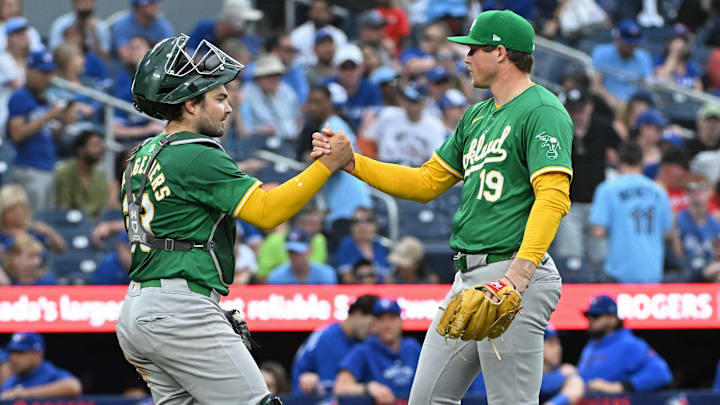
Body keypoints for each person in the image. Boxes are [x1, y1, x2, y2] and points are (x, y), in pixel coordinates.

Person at [313, 10, 571, 404]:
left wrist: (519, 274)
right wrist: (353, 162)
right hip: (468, 276)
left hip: (513, 272)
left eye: (472, 49)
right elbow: (425, 182)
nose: (465, 58)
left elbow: (553, 196)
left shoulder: (543, 110)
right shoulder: (476, 116)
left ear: (500, 52)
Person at [116, 33, 354, 405]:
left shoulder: (144, 151)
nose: (229, 107)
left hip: (139, 308)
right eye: (220, 98)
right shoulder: (197, 152)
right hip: (180, 306)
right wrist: (327, 165)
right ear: (191, 104)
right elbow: (268, 212)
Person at [552, 87, 620, 269]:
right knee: (570, 260)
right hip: (569, 203)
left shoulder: (603, 127)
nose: (576, 115)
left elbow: (622, 151)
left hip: (598, 204)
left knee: (600, 257)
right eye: (571, 110)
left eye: (580, 109)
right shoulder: (556, 129)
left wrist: (614, 158)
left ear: (589, 107)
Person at [6, 50, 80, 212]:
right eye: (43, 72)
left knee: (46, 218)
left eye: (49, 72)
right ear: (29, 70)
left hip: (46, 166)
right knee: (33, 219)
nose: (47, 77)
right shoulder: (20, 96)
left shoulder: (43, 98)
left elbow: (49, 136)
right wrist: (49, 115)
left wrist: (64, 124)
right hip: (29, 168)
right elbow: (16, 134)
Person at [589, 141, 673, 283]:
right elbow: (667, 232)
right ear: (642, 162)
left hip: (619, 271)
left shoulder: (607, 189)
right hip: (652, 270)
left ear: (619, 161)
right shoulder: (659, 191)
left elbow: (598, 230)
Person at [578, 295, 673, 393]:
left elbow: (661, 373)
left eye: (596, 316)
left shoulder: (630, 344)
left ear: (613, 319)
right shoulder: (590, 346)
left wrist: (619, 387)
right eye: (588, 315)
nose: (590, 320)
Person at [334, 298, 421, 402]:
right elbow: (341, 388)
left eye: (392, 318)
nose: (387, 324)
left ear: (400, 321)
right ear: (374, 323)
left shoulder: (412, 347)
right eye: (381, 319)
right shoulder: (363, 350)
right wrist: (369, 388)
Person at [291, 294, 378, 395]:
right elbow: (333, 391)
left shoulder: (348, 336)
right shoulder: (331, 339)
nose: (373, 330)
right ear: (357, 314)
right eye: (371, 324)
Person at [363, 85, 446, 167]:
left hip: (416, 172)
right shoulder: (388, 116)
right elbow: (367, 139)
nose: (410, 105)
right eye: (407, 100)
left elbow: (437, 161)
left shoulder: (435, 126)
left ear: (423, 103)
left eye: (414, 101)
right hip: (387, 167)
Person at [591, 20, 653, 109]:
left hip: (633, 107)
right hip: (606, 105)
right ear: (617, 39)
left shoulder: (643, 57)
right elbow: (596, 86)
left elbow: (647, 88)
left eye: (635, 43)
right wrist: (615, 102)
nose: (632, 46)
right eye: (628, 43)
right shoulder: (601, 52)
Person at [0, 332, 82, 399]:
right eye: (12, 353)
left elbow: (73, 387)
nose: (14, 358)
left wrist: (24, 394)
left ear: (38, 354)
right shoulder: (11, 380)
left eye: (20, 353)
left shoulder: (48, 372)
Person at [242, 53, 301, 140]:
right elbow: (245, 129)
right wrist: (260, 131)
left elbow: (297, 118)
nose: (273, 80)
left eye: (277, 75)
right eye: (269, 76)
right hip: (260, 143)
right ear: (259, 78)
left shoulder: (287, 91)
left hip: (290, 141)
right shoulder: (246, 93)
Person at [54, 129, 109, 218]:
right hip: (71, 222)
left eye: (100, 146)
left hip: (97, 225)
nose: (99, 150)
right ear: (80, 150)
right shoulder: (65, 172)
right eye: (94, 145)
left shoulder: (100, 176)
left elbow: (102, 208)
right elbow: (63, 206)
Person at [326, 43, 382, 130]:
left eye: (353, 67)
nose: (349, 73)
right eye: (344, 68)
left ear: (361, 68)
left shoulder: (371, 88)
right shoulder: (327, 87)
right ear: (336, 69)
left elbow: (372, 119)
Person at [675, 174, 720, 280]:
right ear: (686, 193)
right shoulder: (677, 220)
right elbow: (677, 257)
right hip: (686, 272)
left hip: (711, 273)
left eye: (702, 188)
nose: (698, 193)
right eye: (692, 189)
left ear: (711, 191)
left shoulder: (716, 223)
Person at [0, 184, 66, 253]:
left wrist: (49, 232)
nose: (18, 212)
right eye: (12, 208)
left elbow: (61, 249)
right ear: (3, 211)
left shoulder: (34, 230)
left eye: (22, 207)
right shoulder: (1, 234)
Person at [187, 0, 263, 57]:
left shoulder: (248, 40)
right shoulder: (204, 28)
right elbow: (187, 52)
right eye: (246, 22)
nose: (245, 28)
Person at [334, 207, 391, 282]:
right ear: (351, 227)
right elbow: (347, 279)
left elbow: (389, 279)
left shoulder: (382, 246)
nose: (362, 225)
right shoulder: (346, 245)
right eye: (356, 221)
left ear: (376, 225)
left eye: (368, 220)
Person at [266, 228, 337, 285]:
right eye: (291, 252)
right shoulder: (277, 277)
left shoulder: (326, 275)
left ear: (309, 250)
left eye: (299, 252)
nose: (295, 256)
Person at [110, 0, 174, 62]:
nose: (156, 6)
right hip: (127, 69)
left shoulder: (163, 25)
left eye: (155, 3)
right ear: (138, 7)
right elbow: (125, 56)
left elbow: (167, 54)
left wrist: (145, 51)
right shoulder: (122, 24)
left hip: (153, 67)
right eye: (150, 4)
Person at [290, 0, 347, 67]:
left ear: (330, 14)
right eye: (315, 10)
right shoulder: (297, 34)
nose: (318, 14)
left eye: (322, 10)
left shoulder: (339, 36)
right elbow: (294, 62)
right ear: (309, 13)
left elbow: (341, 61)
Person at [541, 325, 585, 405]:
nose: (559, 348)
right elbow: (543, 386)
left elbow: (576, 389)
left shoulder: (563, 370)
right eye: (551, 343)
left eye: (558, 343)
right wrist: (562, 375)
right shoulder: (522, 370)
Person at [0, 16, 28, 139]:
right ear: (8, 38)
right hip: (6, 116)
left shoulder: (27, 60)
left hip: (24, 112)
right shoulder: (3, 59)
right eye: (17, 34)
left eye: (23, 33)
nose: (22, 37)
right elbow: (20, 87)